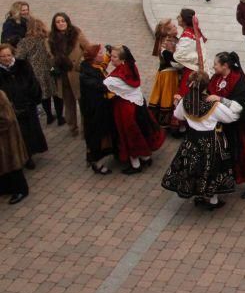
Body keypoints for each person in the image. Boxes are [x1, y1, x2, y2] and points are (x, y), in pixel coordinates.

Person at [162, 71, 239, 210]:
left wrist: (177, 103)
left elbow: (178, 115)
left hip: (192, 140)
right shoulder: (213, 105)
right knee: (212, 169)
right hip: (211, 141)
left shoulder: (185, 101)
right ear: (205, 86)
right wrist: (223, 101)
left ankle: (199, 195)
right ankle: (213, 200)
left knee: (194, 168)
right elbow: (232, 117)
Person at [209, 52, 245, 198]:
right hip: (222, 125)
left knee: (242, 154)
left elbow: (240, 105)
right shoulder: (216, 77)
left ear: (225, 66)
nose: (213, 66)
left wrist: (219, 99)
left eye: (215, 64)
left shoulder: (237, 79)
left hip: (238, 126)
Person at [104, 46, 165, 174]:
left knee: (129, 135)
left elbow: (104, 84)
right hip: (138, 104)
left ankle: (135, 164)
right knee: (140, 131)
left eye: (114, 57)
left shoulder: (115, 79)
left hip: (125, 109)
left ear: (122, 60)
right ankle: (146, 157)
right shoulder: (131, 67)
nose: (111, 59)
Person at [0, 43, 46, 169]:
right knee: (17, 135)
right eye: (3, 56)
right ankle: (21, 157)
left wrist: (32, 98)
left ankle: (29, 156)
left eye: (8, 55)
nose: (6, 58)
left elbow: (33, 82)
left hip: (28, 105)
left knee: (30, 133)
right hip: (11, 109)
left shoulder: (23, 65)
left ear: (12, 54)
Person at [48, 12, 91, 136]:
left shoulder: (76, 33)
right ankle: (73, 127)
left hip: (77, 74)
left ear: (67, 22)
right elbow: (50, 56)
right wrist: (54, 65)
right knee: (69, 104)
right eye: (58, 21)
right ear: (54, 24)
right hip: (63, 75)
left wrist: (81, 64)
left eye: (63, 21)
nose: (61, 23)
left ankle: (85, 129)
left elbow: (87, 48)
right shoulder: (51, 38)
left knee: (82, 102)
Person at [79, 44, 118, 174]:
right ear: (93, 58)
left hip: (100, 111)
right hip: (95, 114)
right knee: (97, 138)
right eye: (100, 54)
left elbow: (103, 66)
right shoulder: (88, 75)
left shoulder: (93, 67)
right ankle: (97, 163)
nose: (103, 55)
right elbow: (101, 85)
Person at [16, 18, 59, 125]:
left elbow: (19, 57)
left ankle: (49, 116)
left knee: (44, 93)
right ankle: (60, 116)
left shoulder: (25, 42)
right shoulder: (48, 38)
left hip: (36, 71)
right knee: (56, 92)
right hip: (50, 69)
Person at [147, 18, 181, 135]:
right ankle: (165, 125)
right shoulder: (167, 43)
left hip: (168, 73)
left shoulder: (172, 39)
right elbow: (173, 60)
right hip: (168, 75)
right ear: (168, 32)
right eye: (173, 27)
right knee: (167, 98)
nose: (176, 27)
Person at [0, 90, 29, 204]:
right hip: (3, 138)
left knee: (13, 163)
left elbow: (7, 119)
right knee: (4, 164)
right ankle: (7, 187)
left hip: (7, 137)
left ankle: (21, 190)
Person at [173, 9, 210, 97]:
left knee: (186, 95)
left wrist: (171, 52)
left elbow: (179, 56)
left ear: (184, 21)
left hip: (191, 72)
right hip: (194, 69)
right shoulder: (193, 31)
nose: (177, 18)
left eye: (180, 16)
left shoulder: (187, 36)